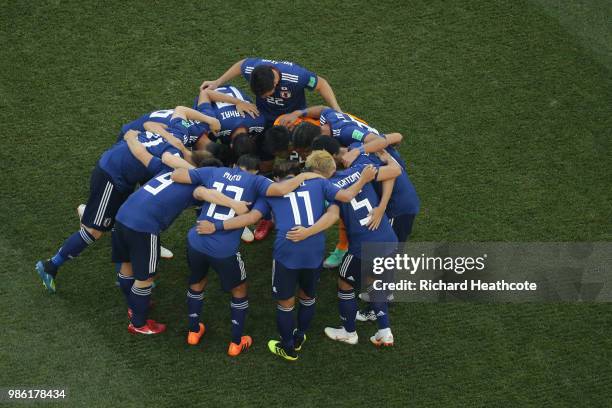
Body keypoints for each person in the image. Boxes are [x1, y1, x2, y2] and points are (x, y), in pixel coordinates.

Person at [196, 151, 376, 361]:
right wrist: (363, 179)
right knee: (308, 297)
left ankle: (287, 346)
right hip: (315, 249)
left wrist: (216, 226)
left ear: (278, 179)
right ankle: (300, 336)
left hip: (287, 250)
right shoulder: (319, 183)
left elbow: (251, 218)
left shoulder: (270, 193)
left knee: (285, 303)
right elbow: (339, 206)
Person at [171, 155, 326, 356]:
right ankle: (236, 342)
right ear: (256, 172)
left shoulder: (214, 171)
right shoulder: (258, 183)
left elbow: (177, 175)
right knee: (239, 290)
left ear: (234, 165)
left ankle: (193, 331)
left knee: (197, 282)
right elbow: (257, 212)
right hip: (224, 249)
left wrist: (205, 193)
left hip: (196, 239)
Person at [34, 127, 199, 293]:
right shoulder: (175, 152)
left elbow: (149, 126)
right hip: (112, 177)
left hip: (120, 173)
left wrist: (132, 138)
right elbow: (170, 160)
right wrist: (200, 173)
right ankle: (50, 266)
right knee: (94, 231)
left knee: (120, 222)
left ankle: (124, 274)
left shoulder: (171, 135)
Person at [112, 136, 249, 335]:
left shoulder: (167, 167)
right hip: (144, 226)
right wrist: (234, 203)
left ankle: (133, 305)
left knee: (126, 266)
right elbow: (207, 194)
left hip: (123, 214)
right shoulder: (197, 184)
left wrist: (131, 136)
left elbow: (146, 154)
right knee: (145, 278)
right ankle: (138, 323)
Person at [317, 148, 402, 347]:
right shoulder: (360, 169)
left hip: (362, 247)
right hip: (388, 239)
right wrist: (386, 156)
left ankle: (349, 332)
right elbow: (395, 170)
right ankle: (384, 331)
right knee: (374, 282)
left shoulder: (327, 189)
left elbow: (331, 214)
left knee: (345, 283)